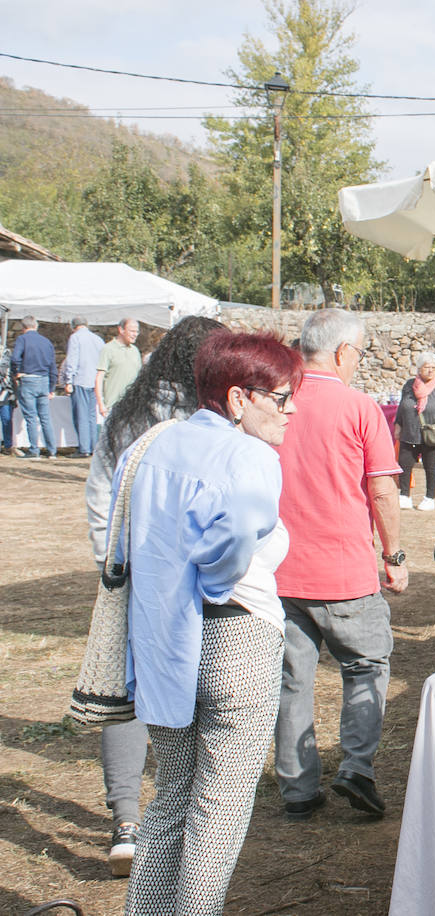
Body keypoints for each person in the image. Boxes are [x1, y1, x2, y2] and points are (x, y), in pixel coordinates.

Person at [117, 330, 303, 914]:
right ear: (239, 397)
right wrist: (218, 580)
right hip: (234, 634)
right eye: (279, 397)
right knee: (218, 807)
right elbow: (227, 549)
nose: (289, 411)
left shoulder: (152, 444)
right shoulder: (249, 455)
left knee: (171, 796)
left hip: (161, 637)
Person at [83, 315, 225, 877]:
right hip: (186, 578)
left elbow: (99, 495)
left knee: (126, 693)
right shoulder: (204, 420)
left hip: (132, 572)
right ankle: (180, 811)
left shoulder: (126, 414)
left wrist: (111, 562)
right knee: (189, 687)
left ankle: (126, 820)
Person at [274, 308, 406, 822]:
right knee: (367, 665)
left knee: (292, 678)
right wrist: (394, 557)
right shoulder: (358, 407)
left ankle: (298, 786)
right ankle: (355, 767)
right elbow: (382, 489)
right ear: (344, 352)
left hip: (282, 571)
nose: (359, 362)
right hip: (344, 571)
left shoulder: (275, 403)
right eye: (360, 353)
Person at [394, 351, 435, 512]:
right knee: (405, 464)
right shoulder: (409, 386)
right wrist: (398, 425)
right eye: (427, 367)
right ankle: (404, 495)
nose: (430, 370)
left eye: (433, 368)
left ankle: (429, 498)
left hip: (432, 434)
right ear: (419, 369)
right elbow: (402, 406)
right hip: (410, 432)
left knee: (430, 465)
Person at [10, 315, 58, 458]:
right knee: (45, 417)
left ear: (23, 328)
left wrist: (16, 372)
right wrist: (51, 388)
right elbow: (53, 367)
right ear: (36, 326)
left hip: (28, 380)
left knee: (31, 417)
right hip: (44, 381)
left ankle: (34, 450)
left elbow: (15, 359)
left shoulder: (22, 339)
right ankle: (52, 450)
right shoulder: (46, 342)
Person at [63, 316, 105, 457]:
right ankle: (93, 446)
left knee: (81, 415)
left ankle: (84, 448)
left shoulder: (75, 338)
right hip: (94, 381)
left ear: (73, 326)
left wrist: (68, 380)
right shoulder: (98, 340)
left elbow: (72, 360)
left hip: (80, 379)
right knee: (91, 416)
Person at [96, 318, 141, 419]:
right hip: (113, 407)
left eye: (137, 331)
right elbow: (99, 378)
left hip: (133, 406)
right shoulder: (108, 349)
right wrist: (101, 404)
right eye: (132, 331)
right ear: (121, 330)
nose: (135, 334)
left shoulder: (135, 351)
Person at [0, 343, 13, 456]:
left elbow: (7, 373)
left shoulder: (7, 356)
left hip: (5, 392)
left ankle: (8, 445)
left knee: (6, 419)